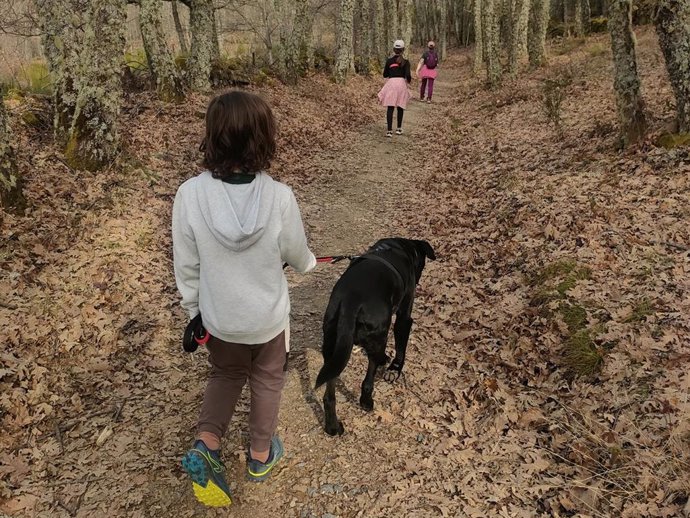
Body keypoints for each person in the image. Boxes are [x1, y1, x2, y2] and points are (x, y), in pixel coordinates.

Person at [172, 91, 316, 508]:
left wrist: (193, 311)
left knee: (225, 375)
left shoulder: (190, 196)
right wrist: (308, 264)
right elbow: (297, 254)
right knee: (268, 378)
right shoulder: (279, 197)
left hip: (220, 320)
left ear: (212, 138)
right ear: (264, 139)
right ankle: (259, 455)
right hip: (268, 320)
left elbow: (187, 265)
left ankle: (207, 442)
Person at [378, 39, 412, 137]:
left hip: (391, 84)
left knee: (390, 107)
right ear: (403, 49)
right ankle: (399, 128)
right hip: (401, 84)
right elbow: (408, 75)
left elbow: (385, 74)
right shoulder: (406, 62)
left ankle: (389, 131)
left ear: (394, 49)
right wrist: (408, 82)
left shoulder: (389, 61)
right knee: (400, 106)